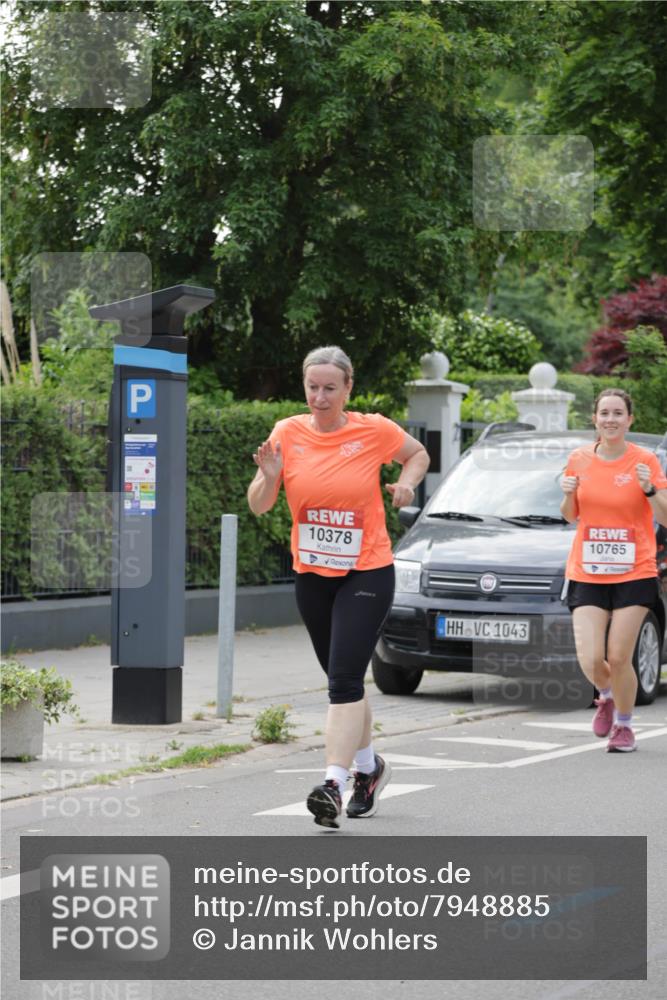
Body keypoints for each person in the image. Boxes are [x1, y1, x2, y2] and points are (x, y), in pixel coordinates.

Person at [248, 346, 429, 827]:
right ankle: (370, 769)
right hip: (312, 574)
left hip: (366, 571)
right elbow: (260, 505)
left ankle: (333, 782)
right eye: (313, 387)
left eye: (330, 388)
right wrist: (268, 479)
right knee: (342, 679)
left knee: (344, 683)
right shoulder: (287, 431)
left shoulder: (373, 429)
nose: (320, 397)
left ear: (349, 388)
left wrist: (407, 483)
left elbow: (417, 453)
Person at [560, 389, 667, 752]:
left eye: (618, 413)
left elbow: (665, 517)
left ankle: (624, 725)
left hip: (634, 570)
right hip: (587, 570)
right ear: (594, 419)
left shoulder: (645, 460)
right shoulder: (578, 459)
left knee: (619, 656)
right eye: (604, 413)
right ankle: (605, 694)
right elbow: (569, 515)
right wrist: (566, 492)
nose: (610, 419)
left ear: (629, 420)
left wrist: (649, 488)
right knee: (590, 656)